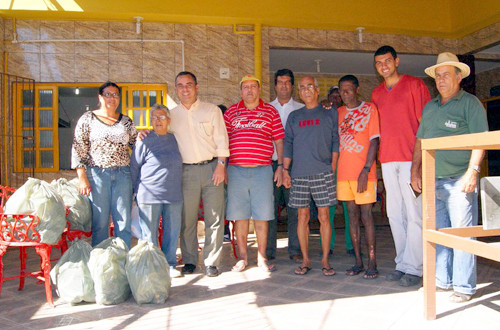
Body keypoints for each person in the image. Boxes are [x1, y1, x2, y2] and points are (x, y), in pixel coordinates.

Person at [411, 52, 488, 302]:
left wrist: (472, 172)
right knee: (439, 233)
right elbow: (420, 141)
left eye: (446, 75)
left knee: (461, 234)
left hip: (459, 180)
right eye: (437, 76)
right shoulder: (430, 107)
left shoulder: (470, 103)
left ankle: (464, 287)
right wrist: (415, 171)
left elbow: (481, 140)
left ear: (458, 77)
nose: (441, 80)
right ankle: (442, 282)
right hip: (432, 180)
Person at [371, 45, 431, 287]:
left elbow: (424, 126)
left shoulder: (415, 85)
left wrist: (418, 165)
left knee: (414, 214)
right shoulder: (376, 93)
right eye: (378, 63)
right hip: (387, 159)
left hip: (410, 160)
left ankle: (416, 268)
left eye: (387, 61)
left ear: (397, 61)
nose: (383, 66)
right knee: (394, 215)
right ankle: (402, 263)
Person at [170, 71, 229, 277]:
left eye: (189, 84)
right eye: (180, 85)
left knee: (214, 217)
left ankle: (212, 261)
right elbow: (160, 135)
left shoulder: (211, 110)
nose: (185, 89)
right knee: (188, 219)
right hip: (186, 172)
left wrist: (221, 165)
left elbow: (222, 139)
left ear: (196, 87)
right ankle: (189, 260)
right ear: (176, 89)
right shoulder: (172, 115)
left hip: (212, 168)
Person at [224, 74, 284, 273]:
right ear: (240, 91)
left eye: (253, 86)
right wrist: (222, 166)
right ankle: (242, 258)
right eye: (245, 87)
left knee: (262, 216)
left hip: (262, 171)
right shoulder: (231, 112)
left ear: (259, 90)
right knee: (240, 217)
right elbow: (223, 142)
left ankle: (261, 257)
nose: (249, 90)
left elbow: (279, 141)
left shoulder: (270, 111)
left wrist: (281, 166)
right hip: (236, 171)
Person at [283, 76, 339, 276]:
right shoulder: (294, 117)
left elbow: (335, 140)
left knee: (324, 217)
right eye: (302, 88)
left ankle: (325, 260)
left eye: (310, 87)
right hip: (299, 174)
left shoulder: (329, 113)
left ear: (317, 90)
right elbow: (288, 143)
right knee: (302, 216)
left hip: (322, 172)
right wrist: (285, 170)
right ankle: (306, 260)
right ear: (299, 92)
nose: (306, 91)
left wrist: (331, 166)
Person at [72, 81, 137, 247]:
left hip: (123, 175)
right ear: (100, 97)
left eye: (115, 95)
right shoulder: (88, 119)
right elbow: (78, 148)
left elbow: (136, 146)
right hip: (98, 175)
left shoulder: (126, 122)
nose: (112, 98)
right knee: (100, 223)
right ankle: (100, 262)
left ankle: (122, 260)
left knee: (123, 222)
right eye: (107, 94)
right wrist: (82, 176)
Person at [130, 104, 183, 277]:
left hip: (173, 194)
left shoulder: (175, 138)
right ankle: (152, 266)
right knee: (149, 234)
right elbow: (134, 166)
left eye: (161, 117)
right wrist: (133, 193)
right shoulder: (144, 139)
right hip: (149, 194)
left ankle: (170, 265)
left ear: (169, 120)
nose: (157, 121)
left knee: (172, 232)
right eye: (154, 117)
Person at [336, 75, 380, 279]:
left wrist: (366, 169)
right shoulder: (338, 113)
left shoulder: (370, 109)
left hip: (364, 174)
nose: (345, 94)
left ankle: (372, 260)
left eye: (349, 89)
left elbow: (374, 141)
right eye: (342, 90)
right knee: (351, 217)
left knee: (367, 216)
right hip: (343, 173)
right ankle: (358, 261)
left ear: (357, 89)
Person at [268, 68, 304, 262]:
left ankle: (295, 249)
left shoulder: (301, 108)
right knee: (270, 209)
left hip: (295, 167)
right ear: (275, 86)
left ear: (292, 86)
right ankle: (268, 251)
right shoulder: (266, 109)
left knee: (295, 209)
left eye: (287, 82)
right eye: (280, 82)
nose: (283, 86)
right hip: (270, 166)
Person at [325, 85, 353, 256]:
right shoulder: (324, 112)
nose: (336, 98)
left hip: (348, 165)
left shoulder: (347, 113)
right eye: (332, 96)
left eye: (338, 95)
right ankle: (327, 245)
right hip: (329, 165)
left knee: (349, 208)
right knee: (328, 208)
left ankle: (351, 245)